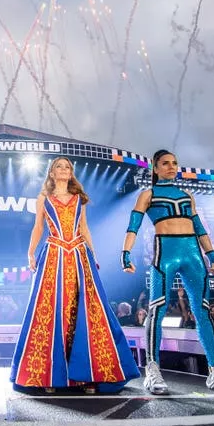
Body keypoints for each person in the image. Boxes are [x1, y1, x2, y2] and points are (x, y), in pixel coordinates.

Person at [11, 157, 139, 394]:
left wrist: (93, 254)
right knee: (52, 310)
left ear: (71, 173)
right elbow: (38, 227)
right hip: (53, 254)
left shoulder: (79, 199)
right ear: (51, 173)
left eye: (67, 167)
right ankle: (50, 376)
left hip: (79, 255)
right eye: (59, 166)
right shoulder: (43, 199)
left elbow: (84, 228)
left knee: (82, 310)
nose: (63, 169)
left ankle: (87, 375)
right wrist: (30, 255)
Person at [122, 149, 214, 395]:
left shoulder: (187, 195)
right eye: (165, 163)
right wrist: (126, 253)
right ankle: (152, 371)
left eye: (174, 163)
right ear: (155, 168)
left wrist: (212, 255)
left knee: (203, 312)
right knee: (157, 310)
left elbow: (199, 227)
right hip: (165, 252)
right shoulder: (148, 194)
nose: (171, 167)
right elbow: (133, 225)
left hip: (193, 254)